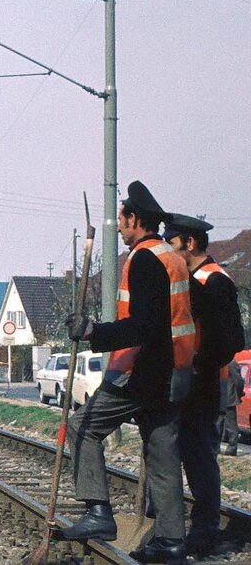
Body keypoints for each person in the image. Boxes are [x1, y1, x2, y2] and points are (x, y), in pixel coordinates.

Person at [61, 181, 198, 564]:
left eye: (122, 220)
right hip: (173, 374)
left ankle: (98, 514)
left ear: (135, 218)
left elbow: (144, 326)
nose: (119, 227)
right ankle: (172, 541)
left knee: (82, 427)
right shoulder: (170, 256)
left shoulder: (142, 259)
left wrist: (93, 332)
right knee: (162, 456)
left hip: (140, 373)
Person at [162, 212, 246, 554]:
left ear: (190, 243)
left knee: (199, 458)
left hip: (204, 385)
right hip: (184, 382)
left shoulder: (215, 281)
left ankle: (206, 529)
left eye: (172, 242)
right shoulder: (190, 280)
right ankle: (174, 526)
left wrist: (199, 364)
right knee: (175, 452)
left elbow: (231, 341)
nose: (167, 248)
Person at [223, 361, 244, 456]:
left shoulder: (231, 363)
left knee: (230, 424)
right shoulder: (221, 360)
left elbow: (238, 381)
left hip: (228, 398)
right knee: (218, 423)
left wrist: (239, 393)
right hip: (221, 397)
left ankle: (232, 447)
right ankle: (217, 445)